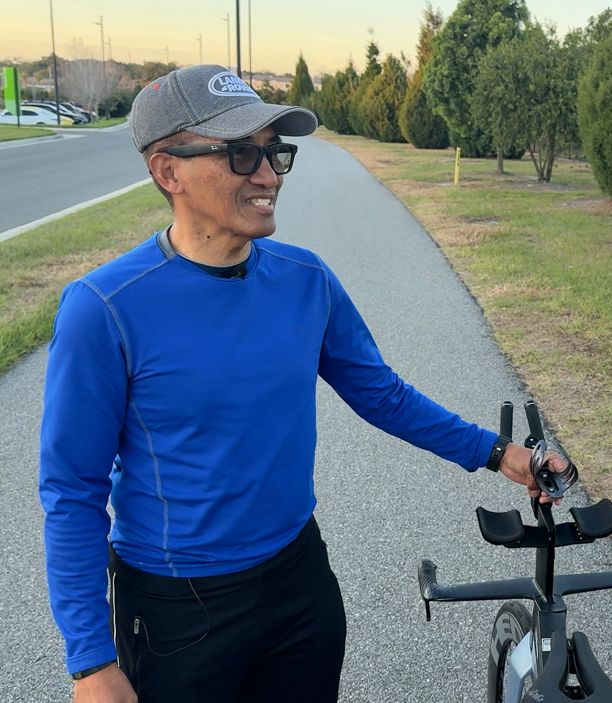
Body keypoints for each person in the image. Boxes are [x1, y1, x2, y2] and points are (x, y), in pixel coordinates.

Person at [38, 64, 559, 703]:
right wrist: (91, 660)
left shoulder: (305, 278)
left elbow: (382, 395)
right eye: (241, 154)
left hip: (298, 580)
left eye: (274, 152)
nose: (268, 175)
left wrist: (498, 453)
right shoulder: (104, 308)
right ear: (168, 171)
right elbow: (73, 488)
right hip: (176, 606)